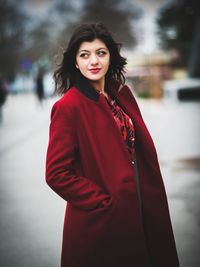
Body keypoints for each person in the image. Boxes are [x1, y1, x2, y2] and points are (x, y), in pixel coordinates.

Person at [45, 22, 180, 267]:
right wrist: (103, 202)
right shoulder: (68, 107)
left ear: (110, 58)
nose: (93, 61)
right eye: (84, 55)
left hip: (141, 206)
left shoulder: (120, 95)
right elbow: (56, 174)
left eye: (101, 53)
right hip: (103, 221)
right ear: (75, 62)